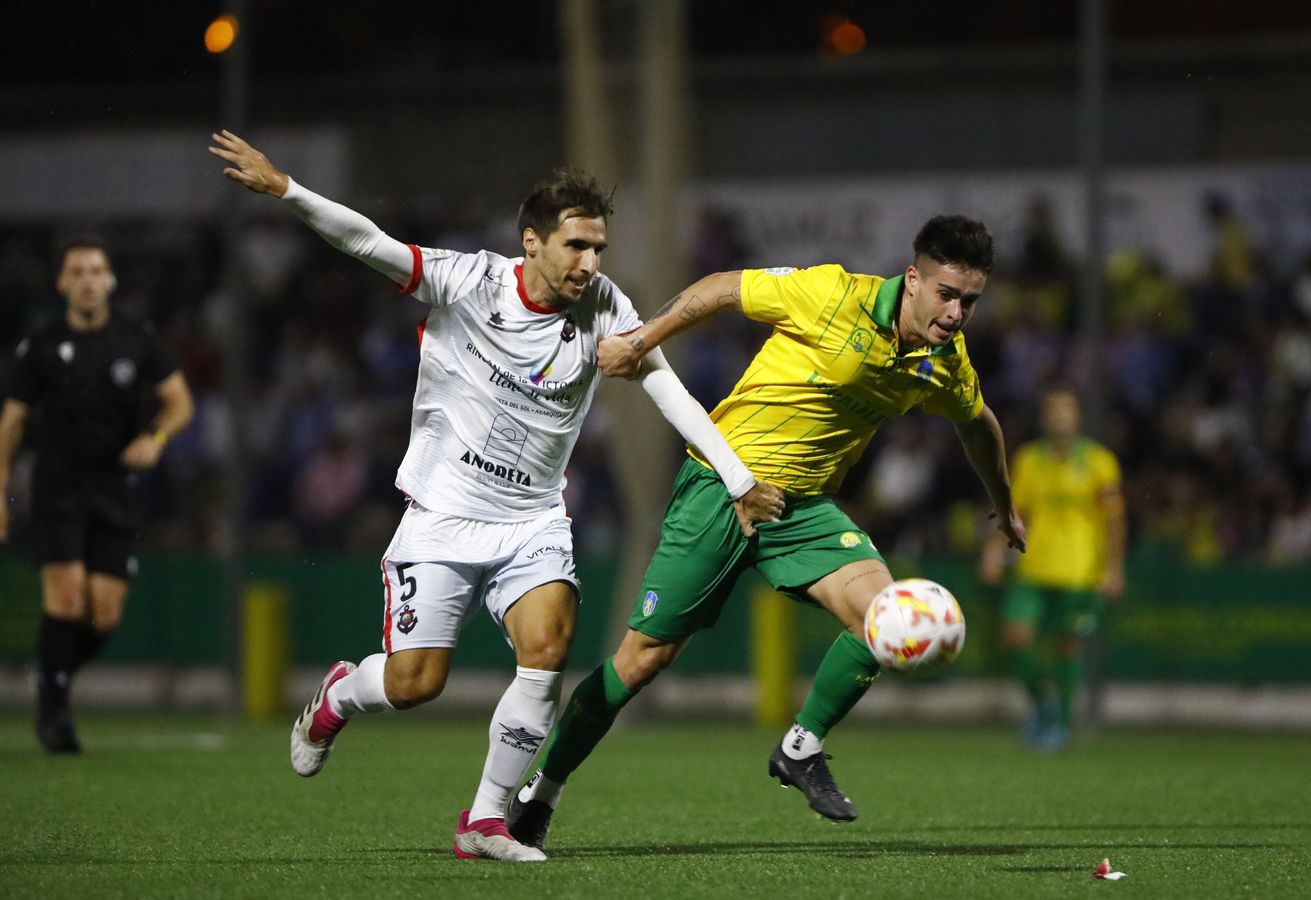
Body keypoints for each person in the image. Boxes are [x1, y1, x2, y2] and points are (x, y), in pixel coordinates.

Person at [208, 131, 783, 862]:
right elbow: (368, 242)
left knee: (547, 647)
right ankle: (339, 697)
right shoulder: (466, 280)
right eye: (576, 246)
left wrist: (739, 479)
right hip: (444, 515)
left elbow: (667, 388)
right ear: (533, 242)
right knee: (417, 683)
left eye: (598, 248)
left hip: (533, 519)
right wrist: (287, 190)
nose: (591, 263)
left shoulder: (606, 305)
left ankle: (484, 821)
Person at [505, 215, 1026, 853]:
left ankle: (800, 748)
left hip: (802, 510)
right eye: (947, 294)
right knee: (641, 662)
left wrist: (1003, 503)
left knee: (885, 617)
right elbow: (724, 287)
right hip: (719, 490)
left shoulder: (944, 360)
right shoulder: (833, 295)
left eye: (970, 301)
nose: (956, 313)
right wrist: (641, 341)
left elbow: (980, 424)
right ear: (913, 279)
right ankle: (542, 792)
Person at [0, 236, 195, 754]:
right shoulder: (41, 345)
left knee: (104, 614)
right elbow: (12, 421)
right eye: (78, 272)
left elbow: (180, 403)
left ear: (108, 281)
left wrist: (154, 439)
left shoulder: (135, 339)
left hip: (114, 488)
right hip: (58, 486)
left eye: (96, 271)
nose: (88, 280)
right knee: (66, 595)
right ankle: (55, 704)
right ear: (63, 283)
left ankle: (53, 675)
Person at [980, 388, 1125, 750]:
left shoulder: (1099, 462)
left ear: (1078, 417)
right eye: (1053, 410)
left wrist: (1113, 569)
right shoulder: (1030, 459)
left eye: (1066, 410)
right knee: (1016, 639)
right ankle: (1042, 705)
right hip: (1033, 568)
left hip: (1079, 573)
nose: (1060, 417)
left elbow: (1115, 522)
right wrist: (994, 550)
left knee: (1066, 647)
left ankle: (1060, 722)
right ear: (1044, 418)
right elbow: (1016, 511)